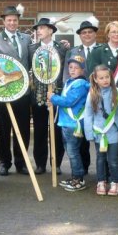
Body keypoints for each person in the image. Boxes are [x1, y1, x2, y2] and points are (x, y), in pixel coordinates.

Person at [86, 21, 118, 184]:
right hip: (101, 101)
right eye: (113, 32)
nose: (116, 34)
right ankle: (103, 175)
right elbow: (91, 75)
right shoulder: (99, 51)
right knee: (102, 137)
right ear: (107, 34)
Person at [0, 5, 32, 176]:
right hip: (4, 91)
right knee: (4, 129)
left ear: (18, 21)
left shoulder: (27, 39)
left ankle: (21, 162)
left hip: (23, 90)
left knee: (23, 128)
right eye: (9, 20)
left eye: (15, 20)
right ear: (3, 22)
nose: (12, 23)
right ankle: (4, 162)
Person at [84, 65, 118, 197]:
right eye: (101, 78)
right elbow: (88, 114)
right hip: (98, 132)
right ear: (96, 79)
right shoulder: (92, 93)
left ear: (111, 77)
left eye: (107, 77)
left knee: (113, 159)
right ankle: (101, 181)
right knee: (100, 159)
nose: (105, 80)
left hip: (113, 132)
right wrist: (89, 133)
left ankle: (115, 182)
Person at [29, 17, 67, 175]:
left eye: (42, 28)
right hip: (38, 94)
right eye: (38, 28)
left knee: (57, 130)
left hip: (56, 93)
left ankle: (56, 163)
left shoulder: (61, 48)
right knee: (39, 130)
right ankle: (40, 164)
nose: (39, 31)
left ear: (51, 30)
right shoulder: (32, 49)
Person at [48, 56, 90, 192]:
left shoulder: (80, 84)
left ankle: (78, 179)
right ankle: (75, 177)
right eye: (70, 67)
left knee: (73, 152)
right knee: (70, 150)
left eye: (76, 68)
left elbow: (69, 101)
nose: (72, 70)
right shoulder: (70, 82)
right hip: (66, 122)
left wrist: (53, 97)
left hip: (73, 123)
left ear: (83, 70)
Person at [64, 19, 100, 175]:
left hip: (99, 97)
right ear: (80, 35)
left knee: (100, 133)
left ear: (95, 34)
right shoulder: (72, 52)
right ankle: (83, 168)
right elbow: (67, 75)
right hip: (80, 100)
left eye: (90, 32)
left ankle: (103, 171)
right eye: (83, 32)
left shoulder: (101, 50)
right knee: (82, 135)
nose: (87, 35)